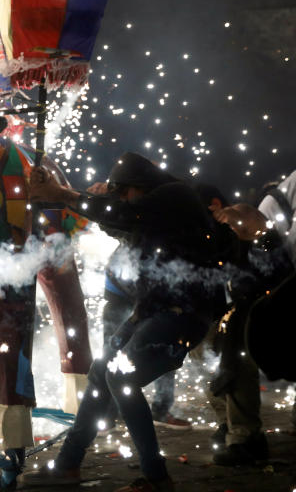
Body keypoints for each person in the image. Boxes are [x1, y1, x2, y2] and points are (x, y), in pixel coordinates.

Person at [22, 152, 237, 492]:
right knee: (101, 372)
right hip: (154, 310)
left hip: (183, 314)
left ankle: (156, 477)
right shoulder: (153, 212)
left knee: (121, 375)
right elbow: (122, 222)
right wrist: (78, 197)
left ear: (140, 186)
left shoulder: (175, 195)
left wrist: (64, 195)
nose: (121, 200)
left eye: (124, 193)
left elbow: (129, 214)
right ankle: (68, 465)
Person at [207, 170, 296, 464]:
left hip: (269, 311)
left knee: (236, 353)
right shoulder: (228, 239)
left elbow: (274, 270)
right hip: (256, 309)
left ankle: (243, 434)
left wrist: (261, 236)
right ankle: (235, 429)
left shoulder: (266, 227)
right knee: (217, 349)